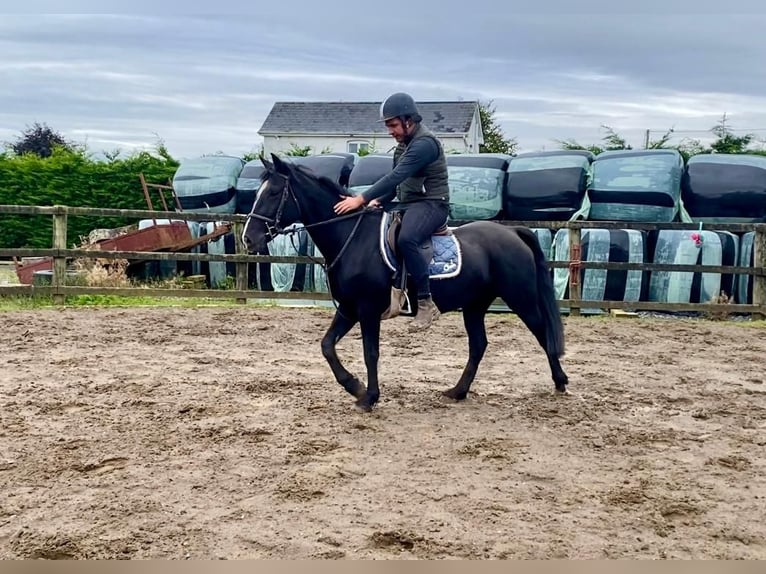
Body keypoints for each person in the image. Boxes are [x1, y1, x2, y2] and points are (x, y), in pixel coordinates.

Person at [334, 92, 450, 331]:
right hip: (407, 205)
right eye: (388, 126)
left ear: (409, 121)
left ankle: (426, 303)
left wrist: (360, 198)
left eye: (393, 125)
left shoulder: (425, 144)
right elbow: (397, 186)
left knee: (408, 238)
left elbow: (396, 175)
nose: (391, 131)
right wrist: (374, 201)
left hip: (432, 204)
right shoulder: (402, 148)